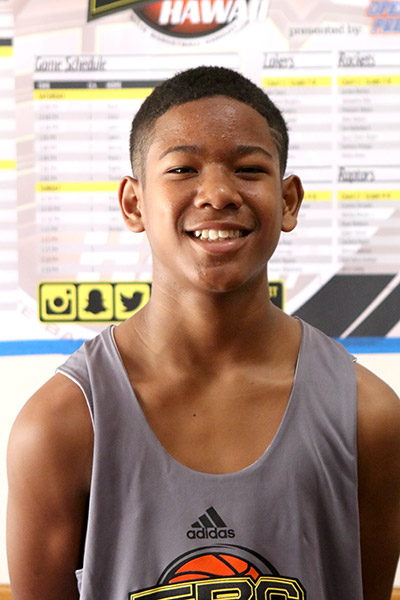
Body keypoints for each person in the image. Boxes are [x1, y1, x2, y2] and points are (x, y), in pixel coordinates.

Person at [7, 66, 400, 600]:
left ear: (288, 201)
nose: (217, 193)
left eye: (249, 169)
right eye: (182, 168)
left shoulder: (366, 414)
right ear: (133, 203)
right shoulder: (61, 424)